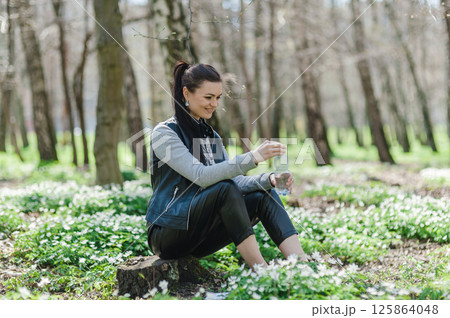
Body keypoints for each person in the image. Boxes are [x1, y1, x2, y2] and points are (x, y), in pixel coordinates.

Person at [145, 60, 307, 270]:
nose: (214, 104)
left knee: (264, 193)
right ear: (186, 94)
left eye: (218, 97)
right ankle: (262, 272)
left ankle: (303, 265)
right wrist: (253, 157)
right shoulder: (165, 133)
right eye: (208, 97)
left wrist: (269, 179)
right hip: (168, 233)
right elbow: (200, 176)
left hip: (201, 234)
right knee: (224, 189)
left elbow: (231, 180)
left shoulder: (209, 135)